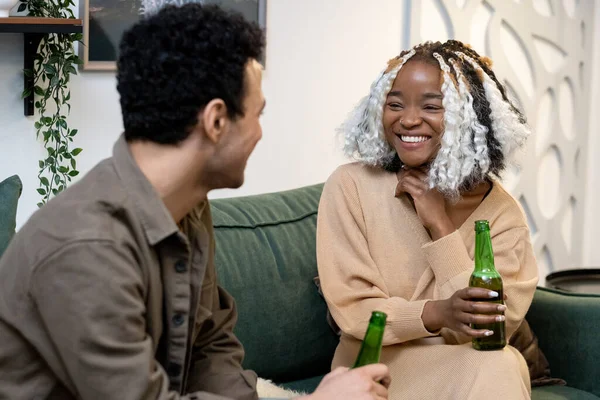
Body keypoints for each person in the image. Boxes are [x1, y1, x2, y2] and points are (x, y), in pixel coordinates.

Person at [0, 4, 390, 400]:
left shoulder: (188, 207)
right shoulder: (88, 247)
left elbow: (209, 343)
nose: (259, 133)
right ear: (216, 120)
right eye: (258, 114)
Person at [316, 40, 539, 399]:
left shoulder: (502, 215)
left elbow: (487, 330)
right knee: (499, 366)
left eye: (432, 106)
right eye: (394, 104)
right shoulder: (351, 186)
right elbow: (354, 311)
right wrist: (436, 314)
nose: (407, 119)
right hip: (372, 369)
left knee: (500, 361)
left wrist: (440, 225)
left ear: (470, 117)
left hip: (466, 366)